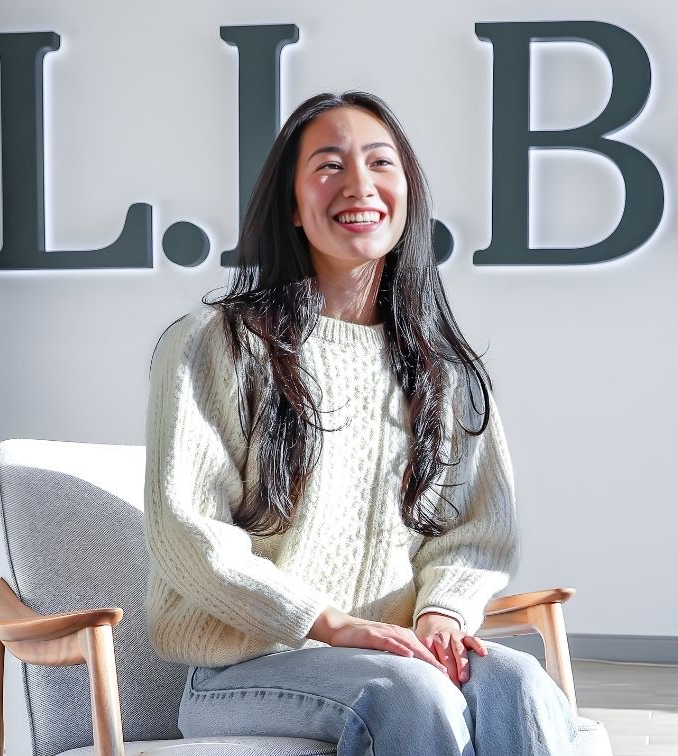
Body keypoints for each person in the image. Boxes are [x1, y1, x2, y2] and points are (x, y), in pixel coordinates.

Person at [143, 91, 577, 756]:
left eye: (381, 163)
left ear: (408, 194)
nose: (359, 185)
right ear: (291, 204)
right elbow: (188, 532)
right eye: (328, 166)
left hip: (397, 655)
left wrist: (441, 613)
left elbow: (476, 534)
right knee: (412, 696)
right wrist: (331, 624)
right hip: (246, 672)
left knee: (518, 682)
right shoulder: (217, 344)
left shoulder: (443, 370)